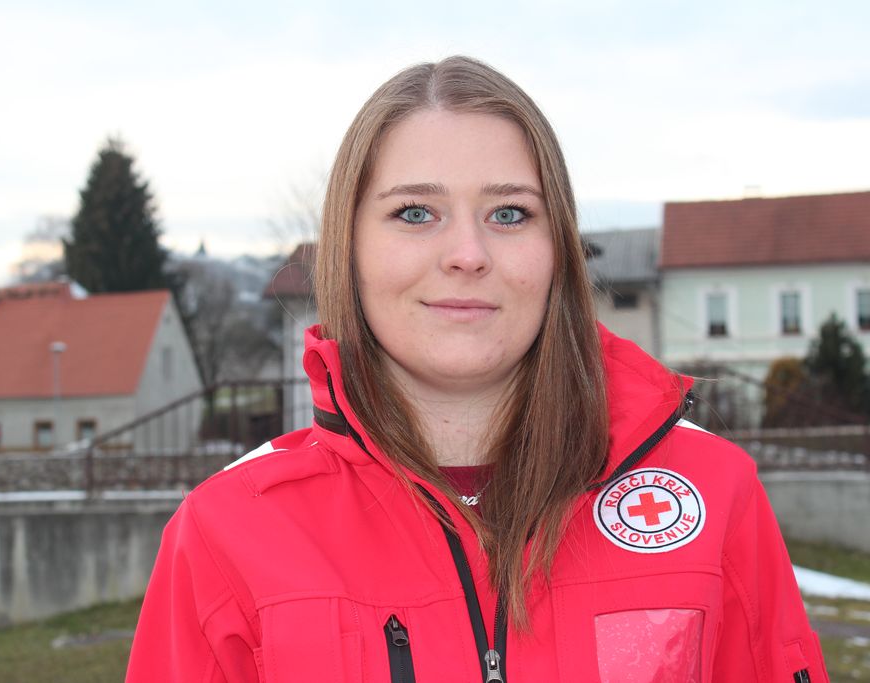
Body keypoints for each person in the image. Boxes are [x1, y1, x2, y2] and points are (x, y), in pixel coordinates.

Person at [126, 56, 828, 682]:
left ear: (558, 250)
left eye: (510, 213)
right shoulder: (228, 530)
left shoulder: (712, 493)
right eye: (414, 212)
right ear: (349, 249)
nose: (468, 254)